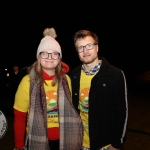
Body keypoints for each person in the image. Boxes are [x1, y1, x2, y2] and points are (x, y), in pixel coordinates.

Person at [13, 28, 83, 150]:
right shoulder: (27, 81)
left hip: (65, 138)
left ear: (59, 58)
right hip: (37, 138)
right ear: (38, 57)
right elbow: (20, 115)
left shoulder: (67, 80)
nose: (49, 57)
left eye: (54, 53)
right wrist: (19, 145)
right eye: (44, 53)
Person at [69, 30, 128, 150]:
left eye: (89, 45)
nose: (85, 51)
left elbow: (123, 112)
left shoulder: (115, 75)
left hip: (105, 145)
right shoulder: (73, 76)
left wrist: (117, 144)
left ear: (97, 47)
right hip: (79, 143)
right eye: (80, 47)